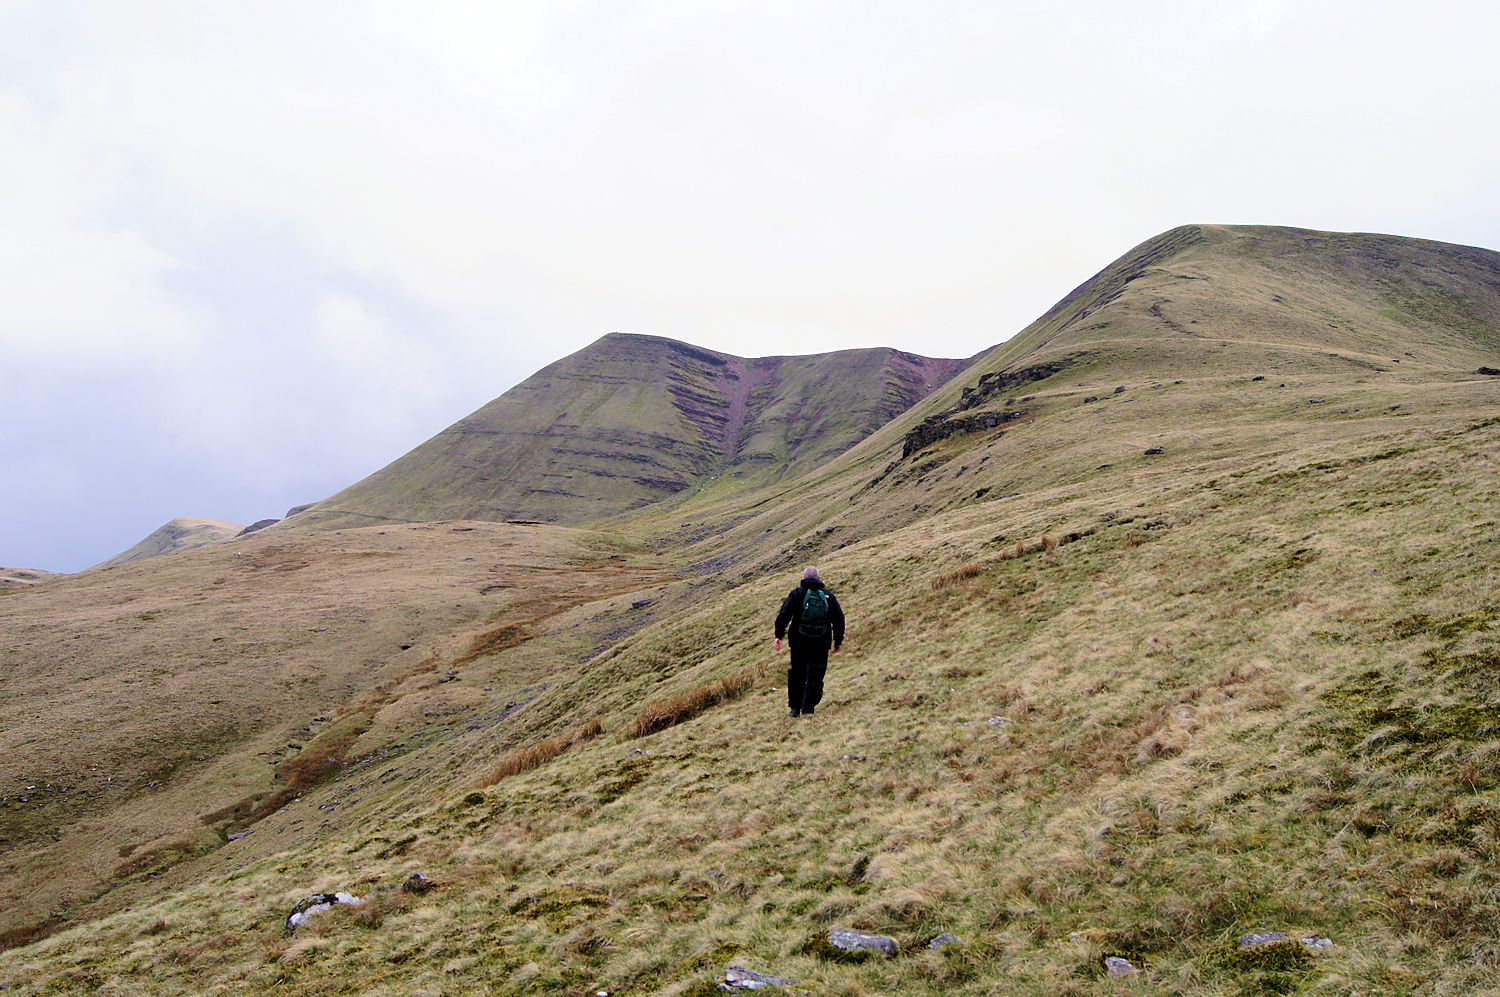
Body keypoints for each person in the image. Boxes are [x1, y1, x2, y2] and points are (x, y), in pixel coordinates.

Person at [774, 566, 845, 717]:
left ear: (804, 578)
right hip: (820, 643)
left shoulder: (797, 594)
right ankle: (808, 709)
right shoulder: (828, 596)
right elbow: (839, 619)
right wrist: (838, 640)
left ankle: (795, 708)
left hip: (798, 642)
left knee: (797, 674)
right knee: (816, 674)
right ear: (819, 578)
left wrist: (778, 635)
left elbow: (784, 614)